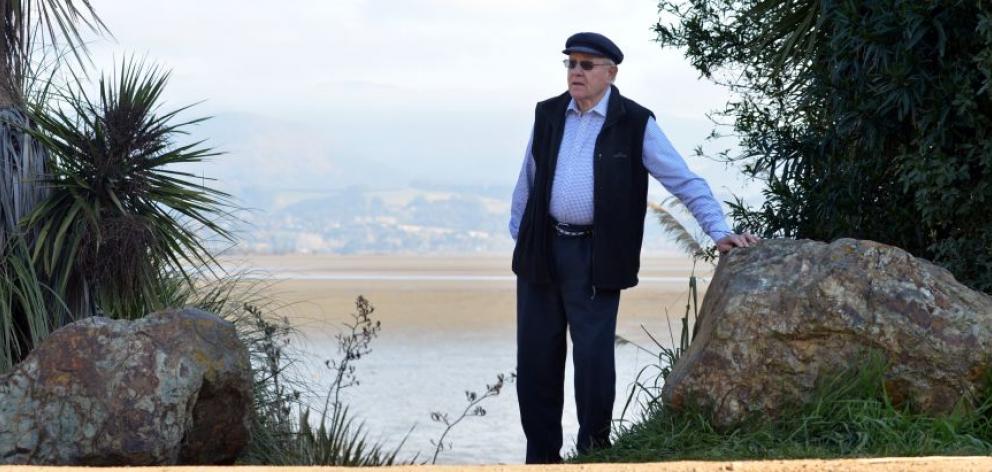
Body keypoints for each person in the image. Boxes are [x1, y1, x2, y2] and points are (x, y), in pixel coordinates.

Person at [508, 32, 760, 464]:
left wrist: (718, 231)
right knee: (536, 359)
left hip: (596, 256)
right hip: (543, 252)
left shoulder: (635, 122)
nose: (576, 72)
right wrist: (522, 236)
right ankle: (541, 457)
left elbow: (683, 180)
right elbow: (528, 177)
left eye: (587, 65)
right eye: (571, 64)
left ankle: (593, 452)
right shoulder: (548, 114)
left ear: (611, 72)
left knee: (592, 361)